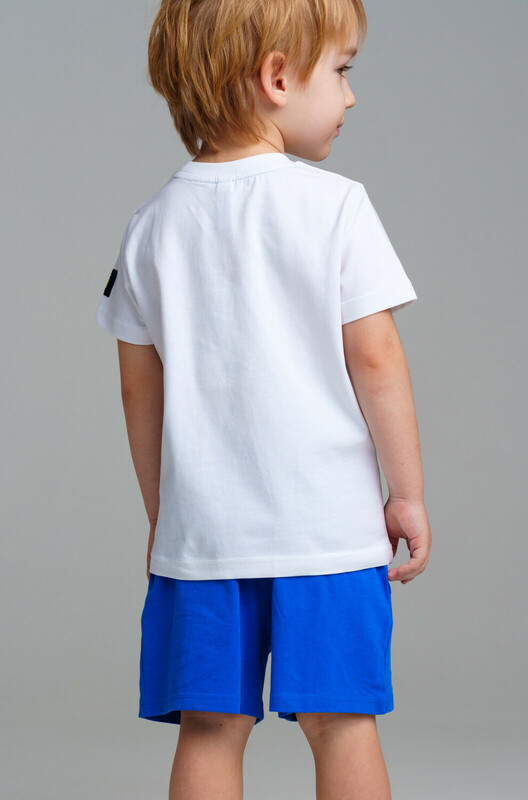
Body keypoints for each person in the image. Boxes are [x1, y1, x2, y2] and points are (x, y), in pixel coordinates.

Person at [93, 1, 432, 797]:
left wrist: (164, 516)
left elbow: (139, 388)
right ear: (277, 76)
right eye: (341, 71)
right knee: (342, 724)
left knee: (211, 729)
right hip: (330, 534)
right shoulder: (337, 206)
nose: (350, 94)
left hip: (205, 538)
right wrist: (408, 494)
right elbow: (376, 357)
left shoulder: (150, 227)